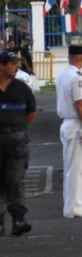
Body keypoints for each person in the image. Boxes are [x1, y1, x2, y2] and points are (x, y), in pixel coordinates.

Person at [55, 44, 82, 218]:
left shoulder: (63, 74)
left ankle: (71, 206)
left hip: (68, 124)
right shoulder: (77, 77)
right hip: (77, 124)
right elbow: (79, 104)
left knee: (71, 168)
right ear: (80, 57)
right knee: (78, 169)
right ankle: (75, 206)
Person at [0, 51, 37, 236]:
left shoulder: (22, 88)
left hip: (16, 140)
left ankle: (18, 219)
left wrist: (16, 128)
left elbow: (31, 113)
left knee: (15, 180)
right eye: (12, 64)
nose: (16, 67)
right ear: (1, 66)